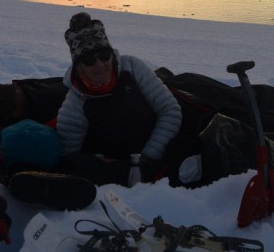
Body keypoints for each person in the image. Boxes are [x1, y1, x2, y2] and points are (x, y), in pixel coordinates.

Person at [56, 12, 182, 184]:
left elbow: (170, 110)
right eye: (88, 60)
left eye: (104, 55)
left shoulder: (132, 68)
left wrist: (149, 155)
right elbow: (69, 155)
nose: (99, 64)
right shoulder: (75, 103)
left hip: (158, 156)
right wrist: (97, 161)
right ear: (78, 67)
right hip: (116, 174)